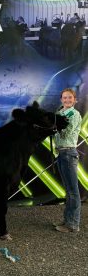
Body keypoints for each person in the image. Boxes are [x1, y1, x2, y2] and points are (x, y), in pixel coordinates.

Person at [53, 88, 82, 233]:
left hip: (69, 153)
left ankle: (73, 224)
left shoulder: (74, 114)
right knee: (68, 190)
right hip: (61, 153)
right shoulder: (59, 113)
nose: (67, 100)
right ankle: (67, 219)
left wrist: (54, 128)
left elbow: (66, 133)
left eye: (70, 98)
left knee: (73, 191)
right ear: (61, 99)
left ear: (75, 99)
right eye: (65, 98)